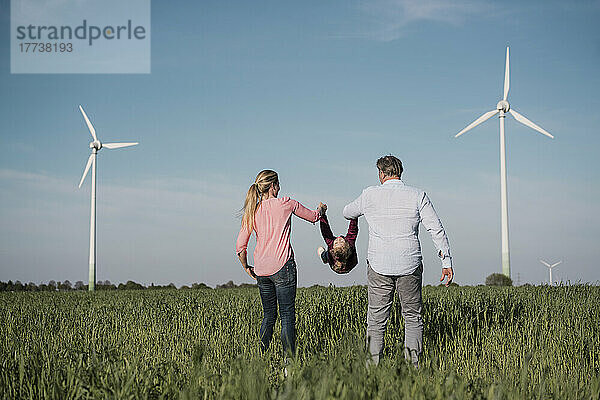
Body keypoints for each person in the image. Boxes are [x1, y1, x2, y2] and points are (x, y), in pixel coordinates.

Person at [343, 155, 453, 368]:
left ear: (381, 174)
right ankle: (413, 367)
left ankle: (371, 368)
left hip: (378, 264)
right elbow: (436, 228)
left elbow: (347, 212)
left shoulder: (369, 194)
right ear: (400, 172)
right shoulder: (417, 195)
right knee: (412, 317)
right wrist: (446, 260)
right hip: (409, 264)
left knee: (376, 319)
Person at [236, 169, 325, 359]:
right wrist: (321, 210)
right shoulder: (286, 203)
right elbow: (313, 217)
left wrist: (246, 267)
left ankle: (261, 358)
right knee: (287, 316)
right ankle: (289, 364)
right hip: (283, 266)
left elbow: (240, 247)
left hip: (261, 271)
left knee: (268, 316)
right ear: (274, 186)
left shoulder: (253, 210)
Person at [316, 203, 359, 274]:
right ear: (346, 245)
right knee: (330, 254)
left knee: (323, 252)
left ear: (332, 248)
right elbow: (353, 229)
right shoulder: (350, 243)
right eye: (341, 242)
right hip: (349, 263)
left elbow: (325, 230)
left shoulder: (331, 247)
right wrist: (354, 213)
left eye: (336, 243)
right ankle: (326, 257)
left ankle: (324, 257)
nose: (338, 239)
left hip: (334, 262)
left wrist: (322, 214)